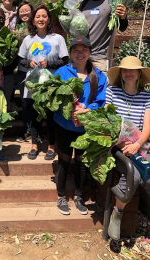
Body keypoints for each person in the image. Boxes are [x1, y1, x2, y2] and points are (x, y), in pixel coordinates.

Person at [53, 37, 107, 215]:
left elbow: (102, 101)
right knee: (64, 159)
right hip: (65, 125)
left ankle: (78, 195)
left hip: (86, 128)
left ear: (90, 53)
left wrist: (86, 110)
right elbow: (52, 96)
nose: (80, 53)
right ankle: (61, 196)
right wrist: (68, 107)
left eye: (84, 50)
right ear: (70, 54)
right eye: (76, 50)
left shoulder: (98, 75)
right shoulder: (62, 72)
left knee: (82, 161)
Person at [106, 56, 150, 240]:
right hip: (118, 146)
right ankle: (118, 213)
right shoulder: (112, 92)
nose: (128, 73)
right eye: (125, 70)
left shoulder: (147, 96)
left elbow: (147, 127)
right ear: (121, 73)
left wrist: (138, 144)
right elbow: (107, 121)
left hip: (140, 145)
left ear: (139, 73)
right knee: (134, 174)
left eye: (132, 70)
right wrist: (121, 142)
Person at [18, 4, 68, 158]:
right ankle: (34, 145)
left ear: (48, 19)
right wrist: (29, 63)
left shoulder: (57, 38)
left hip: (51, 85)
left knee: (51, 115)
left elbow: (65, 61)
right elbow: (20, 61)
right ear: (33, 20)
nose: (41, 19)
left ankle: (51, 146)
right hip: (33, 84)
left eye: (44, 16)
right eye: (38, 16)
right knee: (34, 116)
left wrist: (50, 64)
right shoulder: (28, 39)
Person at [79, 0, 128, 73]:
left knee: (100, 89)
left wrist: (123, 17)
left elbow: (122, 27)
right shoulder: (84, 4)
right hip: (82, 56)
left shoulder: (112, 2)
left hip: (100, 58)